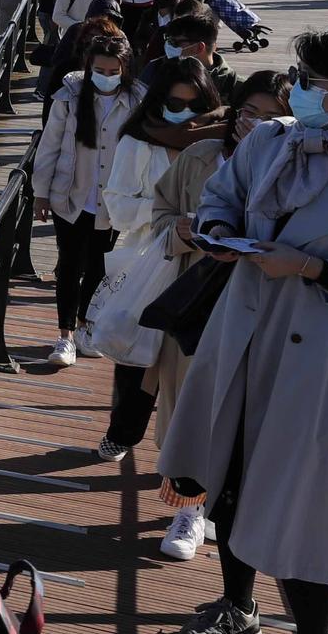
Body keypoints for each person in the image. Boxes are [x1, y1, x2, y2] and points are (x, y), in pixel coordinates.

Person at [160, 27, 328, 634]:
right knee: (229, 480)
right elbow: (221, 194)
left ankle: (310, 628)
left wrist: (314, 268)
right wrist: (216, 231)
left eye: (310, 84)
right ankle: (238, 605)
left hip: (323, 366)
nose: (297, 93)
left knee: (304, 513)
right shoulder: (273, 140)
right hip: (247, 337)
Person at [146, 70, 291, 563]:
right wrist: (184, 232)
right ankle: (186, 509)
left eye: (272, 116)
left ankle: (224, 507)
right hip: (197, 297)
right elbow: (159, 212)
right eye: (249, 112)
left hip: (266, 306)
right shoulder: (200, 157)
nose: (256, 125)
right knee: (186, 400)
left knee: (244, 409)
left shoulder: (298, 169)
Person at [94, 57, 223, 464]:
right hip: (149, 261)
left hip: (204, 269)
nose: (183, 112)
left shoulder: (223, 146)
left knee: (190, 362)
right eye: (174, 101)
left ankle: (184, 455)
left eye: (194, 104)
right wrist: (170, 215)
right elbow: (116, 208)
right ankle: (123, 431)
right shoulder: (136, 141)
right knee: (137, 353)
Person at [33, 34, 142, 367]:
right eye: (99, 69)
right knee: (68, 264)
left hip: (111, 199)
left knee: (99, 265)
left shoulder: (137, 99)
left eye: (113, 70)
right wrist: (40, 191)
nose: (106, 75)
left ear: (124, 69)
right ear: (89, 66)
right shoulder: (69, 95)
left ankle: (85, 326)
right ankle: (64, 336)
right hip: (71, 194)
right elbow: (50, 144)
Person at [140, 11, 239, 104]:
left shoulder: (232, 83)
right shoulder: (154, 69)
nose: (169, 46)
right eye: (168, 40)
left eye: (175, 43)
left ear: (199, 47)